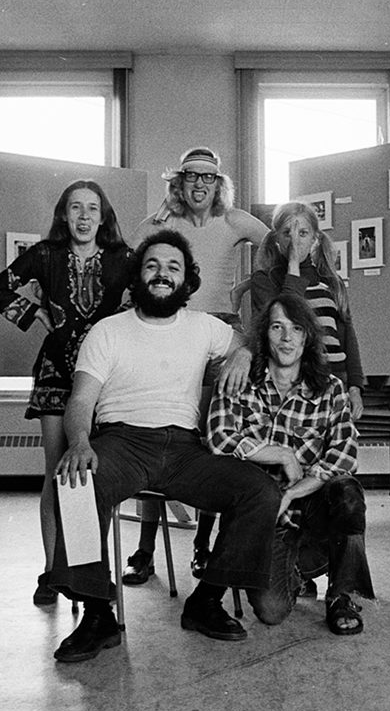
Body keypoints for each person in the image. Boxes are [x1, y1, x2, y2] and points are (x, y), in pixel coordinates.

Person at [48, 230, 280, 662]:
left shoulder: (203, 327)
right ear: (138, 275)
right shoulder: (108, 331)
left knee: (259, 490)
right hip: (121, 441)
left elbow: (250, 340)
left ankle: (206, 601)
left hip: (185, 448)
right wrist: (79, 441)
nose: (162, 274)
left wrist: (243, 353)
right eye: (152, 265)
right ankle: (98, 615)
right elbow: (81, 399)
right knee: (76, 482)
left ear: (185, 280)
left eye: (173, 267)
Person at [122, 146, 269, 585]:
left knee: (211, 441)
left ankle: (203, 547)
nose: (200, 185)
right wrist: (162, 212)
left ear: (218, 183)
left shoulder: (235, 220)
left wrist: (247, 285)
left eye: (208, 178)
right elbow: (129, 246)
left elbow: (279, 246)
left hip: (219, 334)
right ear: (180, 183)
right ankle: (145, 551)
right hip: (172, 327)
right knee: (155, 431)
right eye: (191, 178)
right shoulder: (168, 221)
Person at [0, 179, 136, 606]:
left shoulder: (123, 258)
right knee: (57, 473)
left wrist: (125, 318)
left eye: (92, 208)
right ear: (64, 214)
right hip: (56, 373)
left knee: (94, 474)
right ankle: (52, 571)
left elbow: (153, 290)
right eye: (75, 208)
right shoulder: (45, 255)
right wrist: (35, 314)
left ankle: (88, 574)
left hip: (104, 377)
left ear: (103, 216)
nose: (84, 217)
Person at [206, 292, 374, 635]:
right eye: (277, 327)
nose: (286, 338)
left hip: (313, 507)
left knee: (347, 495)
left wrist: (293, 493)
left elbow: (344, 456)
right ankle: (297, 572)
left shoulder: (331, 389)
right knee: (271, 610)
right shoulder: (239, 381)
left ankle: (341, 595)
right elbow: (219, 439)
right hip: (267, 520)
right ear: (263, 335)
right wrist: (282, 455)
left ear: (307, 336)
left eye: (296, 328)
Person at [252, 200, 366, 420]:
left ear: (315, 239)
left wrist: (355, 386)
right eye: (287, 233)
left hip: (335, 376)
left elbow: (348, 336)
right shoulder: (264, 280)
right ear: (276, 240)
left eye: (302, 233)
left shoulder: (331, 282)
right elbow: (286, 314)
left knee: (333, 446)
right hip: (291, 380)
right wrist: (293, 266)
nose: (295, 240)